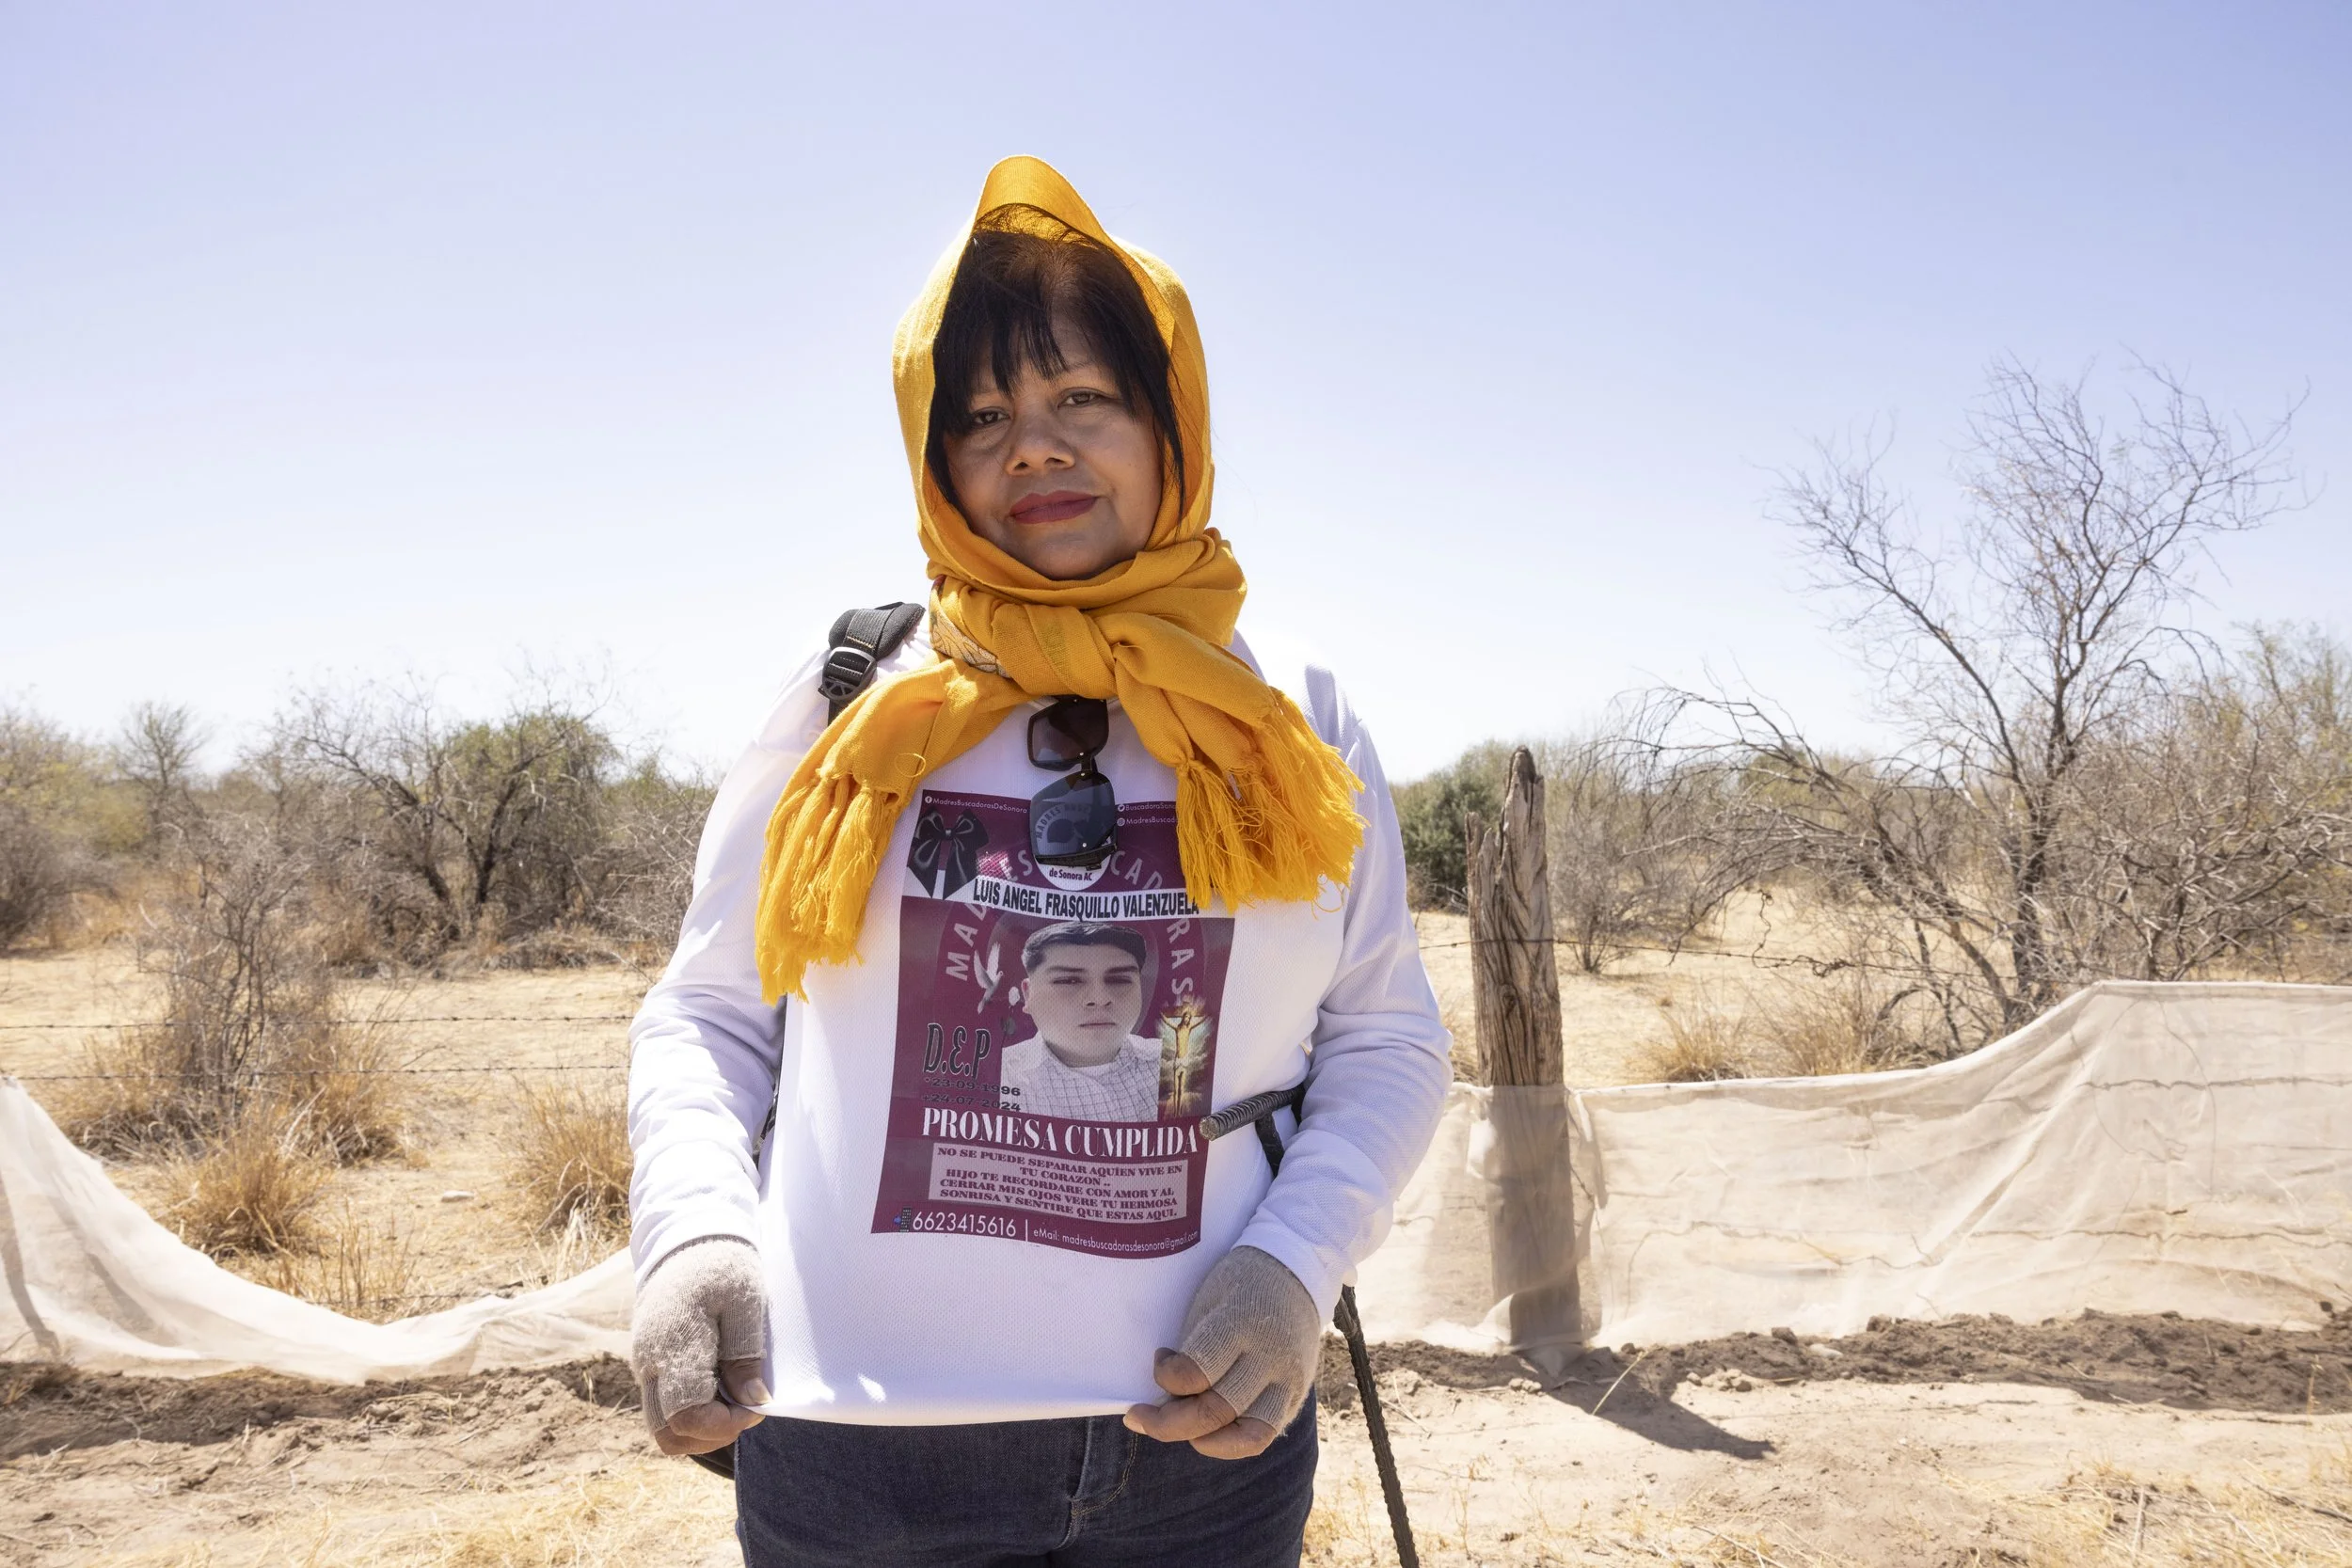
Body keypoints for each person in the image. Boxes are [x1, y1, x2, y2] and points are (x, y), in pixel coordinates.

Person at [627, 155, 1450, 1568]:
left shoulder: (1289, 714)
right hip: (858, 1446)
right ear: (935, 459)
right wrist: (696, 1234)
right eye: (985, 415)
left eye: (1084, 398)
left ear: (1171, 423)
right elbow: (708, 1015)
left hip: (1199, 1443)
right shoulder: (850, 701)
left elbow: (1386, 1040)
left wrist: (1291, 1266)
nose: (1033, 447)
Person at [996, 923, 1161, 1124]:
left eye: (1119, 980)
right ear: (1028, 994)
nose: (1099, 999)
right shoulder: (998, 1075)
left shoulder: (1175, 1063)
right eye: (1070, 981)